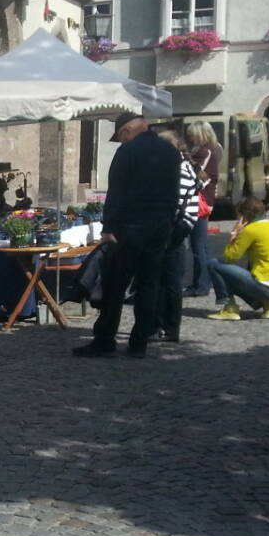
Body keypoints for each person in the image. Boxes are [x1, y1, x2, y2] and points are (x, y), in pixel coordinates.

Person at [73, 112, 181, 359]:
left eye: (120, 138)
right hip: (160, 225)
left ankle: (105, 339)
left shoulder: (128, 151)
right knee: (149, 285)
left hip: (130, 227)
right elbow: (174, 191)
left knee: (115, 285)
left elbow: (117, 191)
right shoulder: (170, 151)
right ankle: (139, 343)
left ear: (125, 131)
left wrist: (108, 227)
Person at [205, 196, 269, 319]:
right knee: (231, 274)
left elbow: (230, 257)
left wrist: (234, 235)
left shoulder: (250, 230)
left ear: (244, 216)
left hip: (266, 288)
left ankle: (230, 308)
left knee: (214, 264)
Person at [155, 130, 201, 343]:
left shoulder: (177, 168)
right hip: (181, 226)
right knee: (170, 279)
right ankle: (169, 326)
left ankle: (168, 326)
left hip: (173, 227)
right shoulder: (185, 165)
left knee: (167, 279)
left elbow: (174, 201)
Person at [185, 122, 222, 296]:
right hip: (205, 200)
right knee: (202, 246)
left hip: (200, 201)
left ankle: (201, 284)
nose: (189, 137)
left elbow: (198, 173)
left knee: (198, 245)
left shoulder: (203, 152)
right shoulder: (210, 150)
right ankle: (203, 282)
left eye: (192, 133)